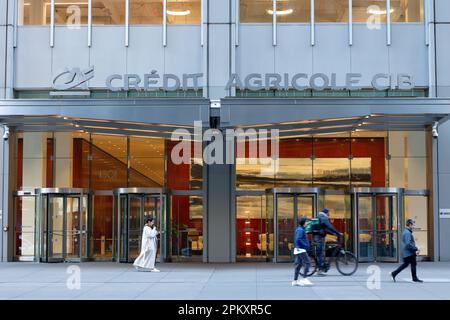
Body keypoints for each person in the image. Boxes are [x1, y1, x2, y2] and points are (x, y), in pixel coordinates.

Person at [312, 208, 342, 276]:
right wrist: (338, 233)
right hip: (319, 238)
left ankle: (322, 267)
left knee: (322, 252)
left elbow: (326, 229)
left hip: (318, 237)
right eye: (328, 213)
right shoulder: (323, 218)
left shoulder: (320, 217)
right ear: (326, 213)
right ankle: (320, 270)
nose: (329, 215)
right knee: (321, 253)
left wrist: (334, 233)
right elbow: (330, 226)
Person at [292, 217, 313, 286]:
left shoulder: (300, 229)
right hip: (301, 249)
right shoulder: (300, 230)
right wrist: (305, 245)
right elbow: (298, 239)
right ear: (304, 223)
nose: (307, 223)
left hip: (299, 249)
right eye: (306, 222)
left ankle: (295, 281)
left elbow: (298, 239)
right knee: (307, 263)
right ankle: (304, 278)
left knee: (299, 264)